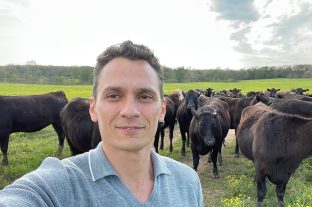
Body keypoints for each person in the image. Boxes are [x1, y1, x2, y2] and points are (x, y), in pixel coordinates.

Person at [0, 40, 204, 207]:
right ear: (93, 108)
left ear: (162, 109)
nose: (130, 111)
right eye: (114, 96)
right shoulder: (57, 184)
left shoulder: (188, 181)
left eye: (144, 96)